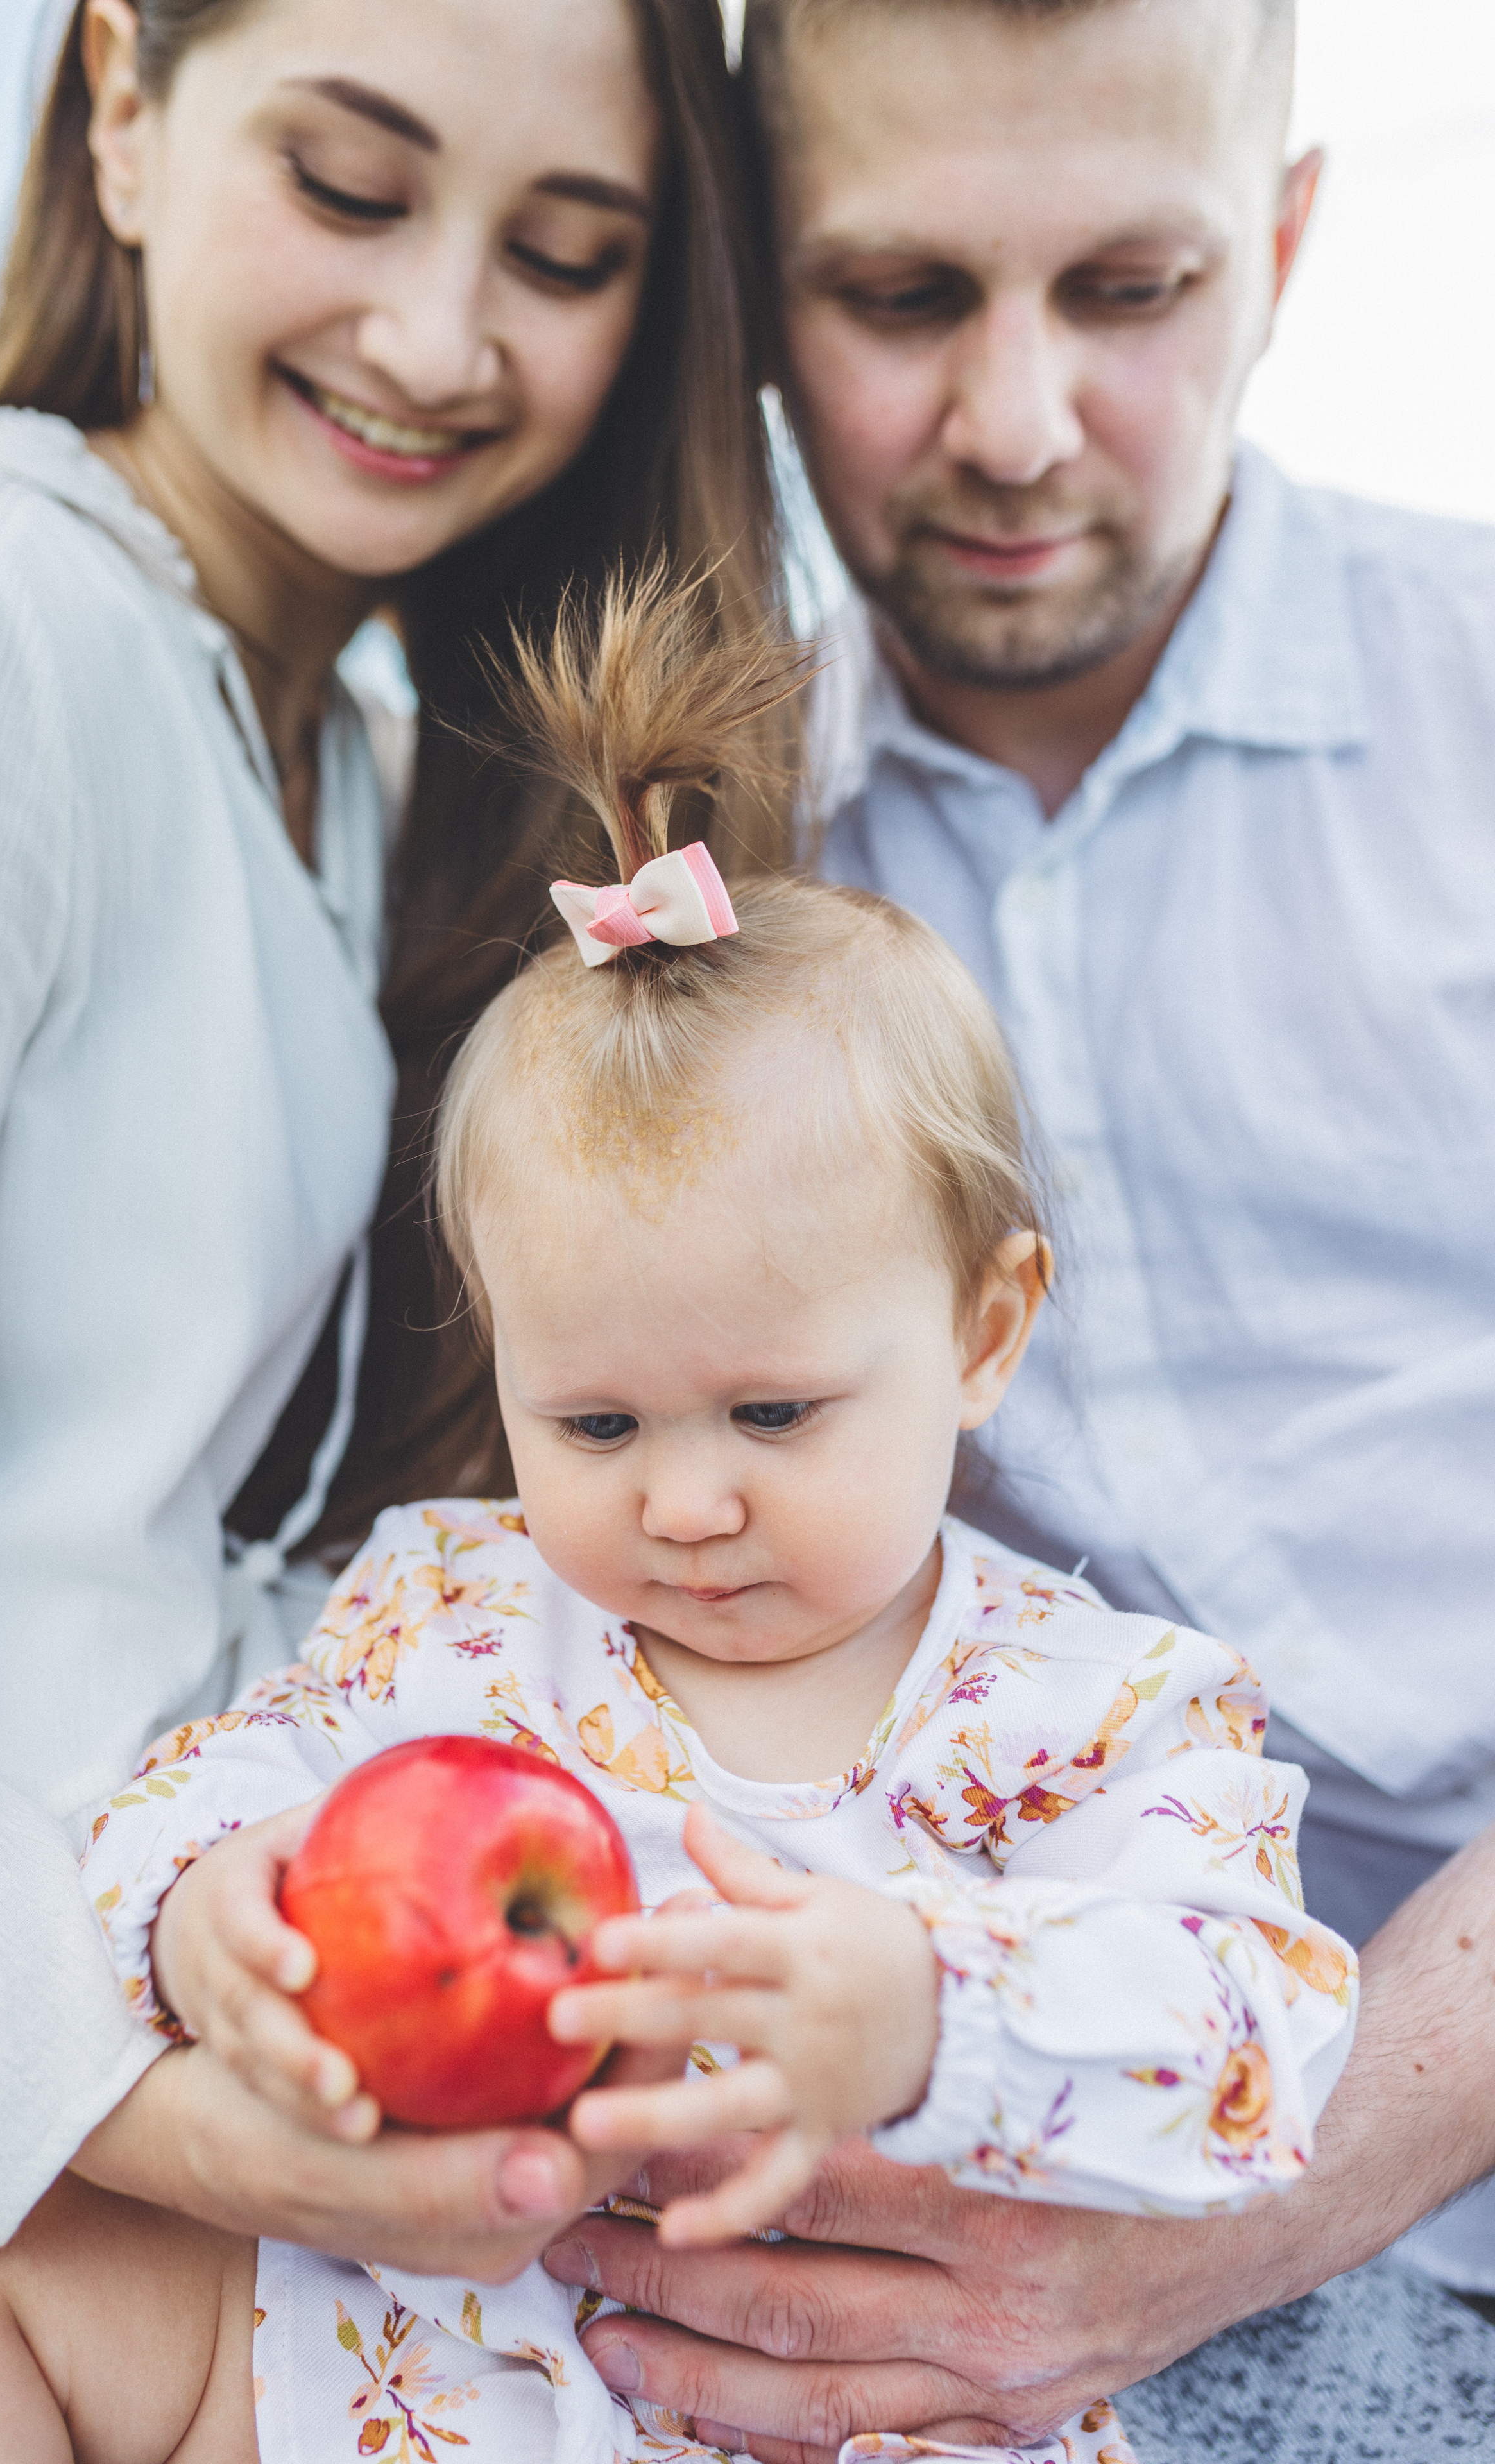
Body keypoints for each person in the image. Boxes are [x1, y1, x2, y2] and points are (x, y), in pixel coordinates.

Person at [0, 574, 1357, 2464]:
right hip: (389, 2365)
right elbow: (213, 1783)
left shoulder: (1095, 1709)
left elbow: (1256, 2031)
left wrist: (928, 2009)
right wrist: (200, 1920)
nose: (691, 1496)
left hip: (809, 2411)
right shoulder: (455, 1610)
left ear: (984, 1334)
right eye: (594, 1419)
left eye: (779, 1412)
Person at [533, 0, 1495, 2452]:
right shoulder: (681, 912)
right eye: (903, 296)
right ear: (760, 288)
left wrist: (1266, 2207)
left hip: (1277, 2181)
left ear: (1280, 246)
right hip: (989, 2135)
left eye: (1134, 291)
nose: (1020, 425)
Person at [0, 0, 793, 2370]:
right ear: (124, 104)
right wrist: (140, 2115)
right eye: (352, 187)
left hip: (207, 2046)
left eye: (565, 253)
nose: (434, 332)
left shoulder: (364, 762)